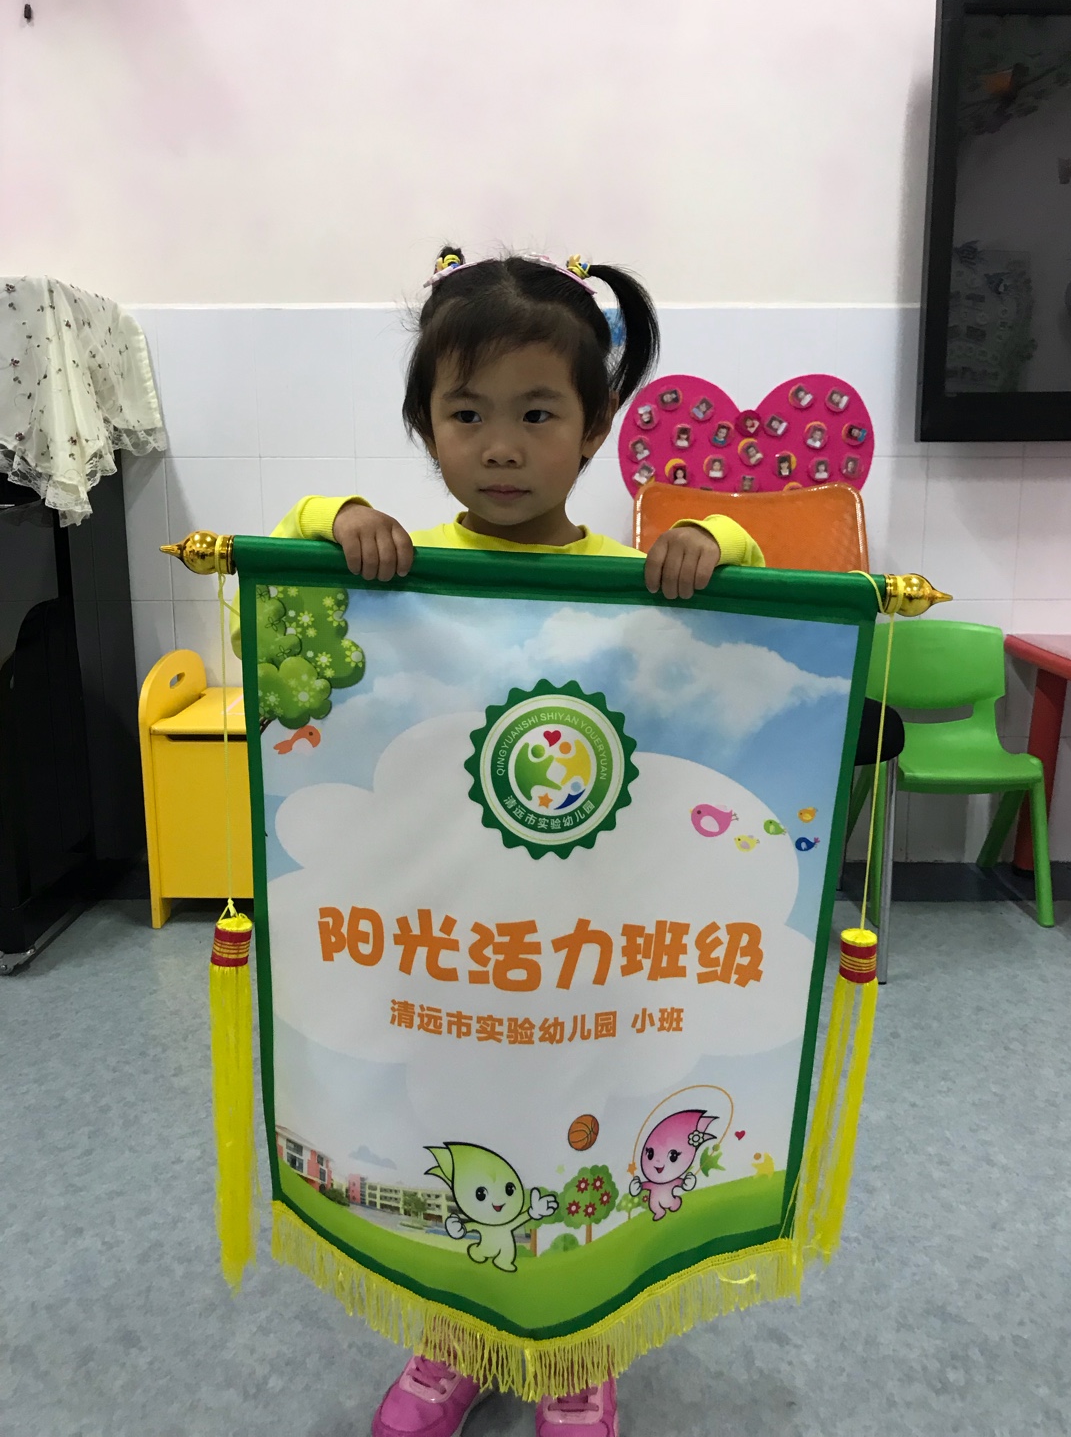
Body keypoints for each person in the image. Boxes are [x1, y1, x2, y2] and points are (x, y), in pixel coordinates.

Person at [253, 247, 765, 1437]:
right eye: (465, 414)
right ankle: (457, 1341)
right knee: (453, 1140)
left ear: (594, 431)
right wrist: (339, 517)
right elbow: (285, 544)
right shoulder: (407, 574)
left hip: (593, 962)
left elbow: (749, 560)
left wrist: (708, 534)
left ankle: (580, 1349)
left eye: (537, 415)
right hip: (451, 962)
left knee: (585, 1134)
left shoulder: (630, 583)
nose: (499, 447)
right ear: (425, 427)